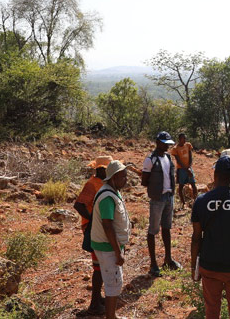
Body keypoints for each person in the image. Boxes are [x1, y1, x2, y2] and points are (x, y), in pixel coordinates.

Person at [191, 156, 230, 319]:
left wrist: (194, 266)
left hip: (209, 264)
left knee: (212, 311)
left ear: (215, 175)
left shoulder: (201, 201)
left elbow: (196, 238)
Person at [90, 160, 131, 319]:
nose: (125, 179)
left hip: (109, 246)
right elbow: (108, 226)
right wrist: (117, 251)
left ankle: (111, 315)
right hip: (107, 247)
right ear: (113, 177)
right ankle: (110, 316)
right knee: (113, 283)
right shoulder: (107, 196)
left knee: (113, 280)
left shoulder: (112, 191)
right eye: (122, 176)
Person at [73, 155, 112, 316]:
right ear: (101, 169)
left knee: (101, 265)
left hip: (97, 227)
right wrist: (93, 219)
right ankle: (94, 304)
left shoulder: (102, 182)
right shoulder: (91, 184)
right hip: (93, 228)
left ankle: (98, 298)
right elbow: (78, 205)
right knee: (98, 267)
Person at [141, 131, 181, 276]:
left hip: (169, 197)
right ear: (158, 143)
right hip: (157, 199)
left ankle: (168, 259)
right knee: (153, 230)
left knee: (167, 228)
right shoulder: (150, 159)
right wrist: (156, 188)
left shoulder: (168, 157)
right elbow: (144, 181)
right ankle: (153, 264)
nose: (167, 147)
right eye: (165, 144)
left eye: (168, 144)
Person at [171, 133, 198, 208]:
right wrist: (186, 169)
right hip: (181, 169)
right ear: (179, 139)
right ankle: (183, 203)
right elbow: (178, 160)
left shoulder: (188, 145)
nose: (185, 140)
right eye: (183, 139)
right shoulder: (175, 149)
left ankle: (195, 201)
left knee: (193, 184)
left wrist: (189, 167)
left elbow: (190, 156)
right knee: (181, 186)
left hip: (188, 167)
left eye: (185, 138)